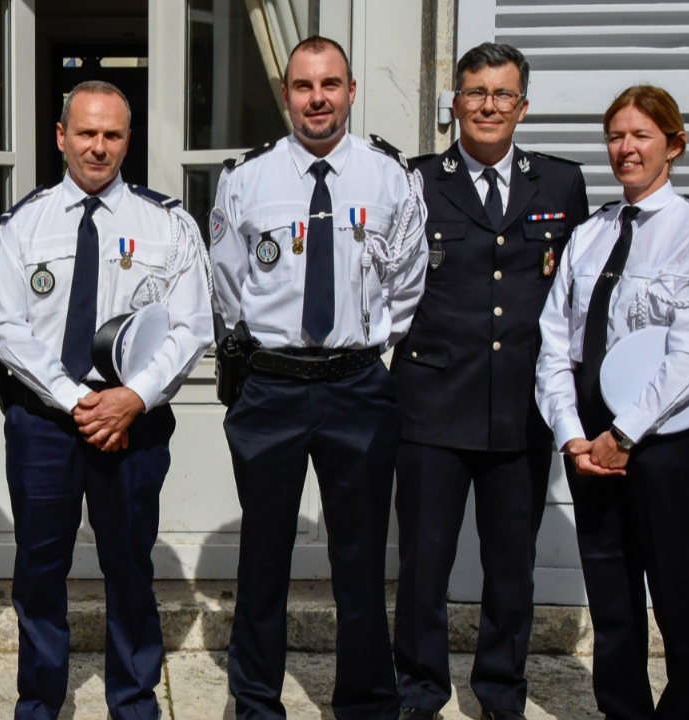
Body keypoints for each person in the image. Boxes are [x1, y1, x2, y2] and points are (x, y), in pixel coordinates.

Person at [210, 36, 427, 720]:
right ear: (287, 95)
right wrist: (273, 353)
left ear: (351, 91)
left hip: (358, 387)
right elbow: (226, 285)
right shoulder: (246, 179)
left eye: (331, 84)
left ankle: (365, 703)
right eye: (304, 86)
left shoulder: (390, 177)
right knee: (263, 560)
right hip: (271, 386)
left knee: (360, 562)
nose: (318, 99)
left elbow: (408, 280)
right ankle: (255, 702)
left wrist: (362, 345)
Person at [0, 80, 213, 720]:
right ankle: (39, 703)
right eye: (86, 133)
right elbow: (4, 326)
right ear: (61, 136)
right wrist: (70, 399)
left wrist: (131, 398)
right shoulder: (23, 221)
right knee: (38, 573)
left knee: (130, 572)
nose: (99, 147)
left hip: (133, 424)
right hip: (44, 424)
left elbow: (193, 326)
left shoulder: (167, 223)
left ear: (128, 139)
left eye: (112, 134)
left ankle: (134, 703)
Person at [389, 43, 589, 720]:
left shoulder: (560, 184)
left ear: (523, 106)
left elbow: (576, 298)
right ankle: (420, 691)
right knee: (424, 568)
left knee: (512, 568)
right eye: (476, 92)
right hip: (430, 405)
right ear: (455, 103)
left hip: (519, 408)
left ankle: (501, 693)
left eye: (503, 94)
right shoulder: (414, 180)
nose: (489, 106)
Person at [535, 85, 689, 720]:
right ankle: (622, 711)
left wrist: (622, 435)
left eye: (642, 135)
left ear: (673, 146)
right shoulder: (589, 235)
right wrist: (574, 434)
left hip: (660, 446)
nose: (625, 148)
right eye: (616, 135)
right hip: (591, 446)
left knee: (674, 588)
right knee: (610, 595)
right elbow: (554, 344)